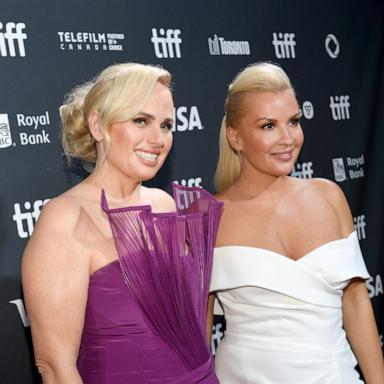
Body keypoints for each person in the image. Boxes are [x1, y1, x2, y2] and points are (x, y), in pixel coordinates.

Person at [22, 63, 222, 384]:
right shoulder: (65, 219)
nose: (157, 139)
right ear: (98, 126)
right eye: (141, 121)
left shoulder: (164, 203)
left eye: (167, 125)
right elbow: (57, 368)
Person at [208, 62, 384, 383]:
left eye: (294, 121)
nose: (288, 138)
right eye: (268, 126)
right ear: (235, 137)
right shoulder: (208, 217)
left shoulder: (329, 196)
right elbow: (199, 330)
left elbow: (356, 302)